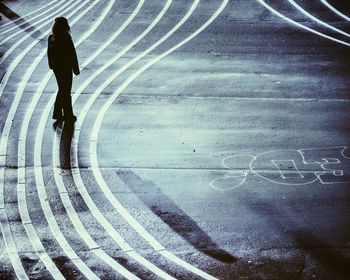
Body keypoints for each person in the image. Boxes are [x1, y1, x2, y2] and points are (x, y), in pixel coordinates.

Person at [47, 17, 80, 122]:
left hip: (57, 68)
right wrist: (76, 68)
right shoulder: (66, 37)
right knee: (66, 90)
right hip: (66, 67)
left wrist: (51, 65)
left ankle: (58, 113)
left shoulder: (52, 37)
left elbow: (49, 53)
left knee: (62, 89)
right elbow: (72, 53)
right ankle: (67, 114)